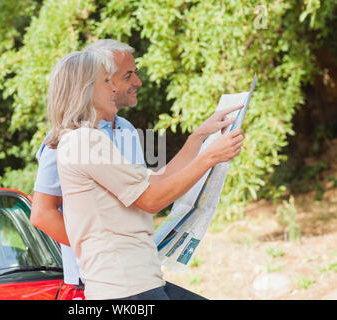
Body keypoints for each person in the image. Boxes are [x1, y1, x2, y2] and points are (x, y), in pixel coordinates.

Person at [49, 48, 244, 300]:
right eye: (106, 81)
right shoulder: (84, 142)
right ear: (85, 90)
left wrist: (200, 138)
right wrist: (211, 157)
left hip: (138, 282)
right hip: (124, 288)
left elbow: (156, 181)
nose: (114, 89)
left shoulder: (89, 139)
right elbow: (151, 200)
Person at [30, 40, 146, 287]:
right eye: (128, 76)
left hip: (136, 274)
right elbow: (42, 213)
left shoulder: (127, 130)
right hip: (93, 281)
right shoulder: (65, 138)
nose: (137, 82)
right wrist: (105, 251)